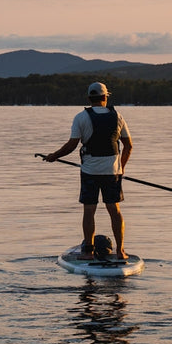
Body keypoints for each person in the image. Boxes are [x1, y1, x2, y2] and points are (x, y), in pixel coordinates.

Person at [43, 82, 133, 260]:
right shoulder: (118, 117)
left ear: (89, 99)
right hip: (112, 172)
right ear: (105, 97)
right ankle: (120, 250)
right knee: (114, 209)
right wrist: (121, 168)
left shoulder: (80, 117)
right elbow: (128, 146)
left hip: (90, 172)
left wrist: (53, 156)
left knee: (89, 210)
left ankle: (88, 252)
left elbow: (71, 146)